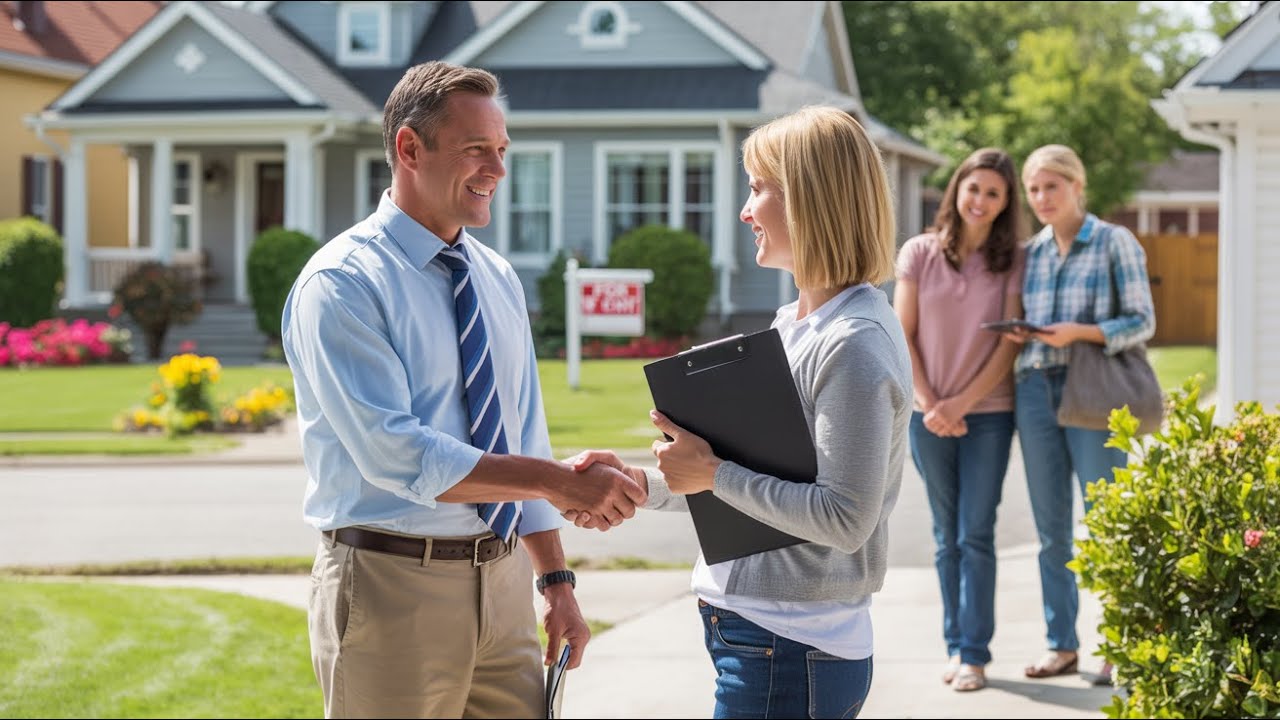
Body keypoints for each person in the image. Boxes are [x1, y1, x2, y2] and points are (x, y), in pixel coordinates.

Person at [281, 61, 647, 719]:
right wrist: (557, 483)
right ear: (409, 148)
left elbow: (522, 433)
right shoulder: (342, 284)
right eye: (477, 148)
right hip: (391, 586)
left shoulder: (495, 277)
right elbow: (397, 454)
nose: (497, 170)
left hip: (504, 585)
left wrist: (555, 580)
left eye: (502, 150)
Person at [567, 106, 912, 719]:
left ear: (808, 198)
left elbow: (844, 518)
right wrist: (640, 483)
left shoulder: (854, 342)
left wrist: (712, 474)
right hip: (761, 639)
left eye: (757, 189)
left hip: (790, 649)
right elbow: (752, 482)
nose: (745, 211)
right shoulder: (797, 325)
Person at [1008, 144, 1155, 682]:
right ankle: (1061, 644)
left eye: (1052, 185)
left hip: (1093, 389)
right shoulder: (1031, 253)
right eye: (1033, 188)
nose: (1042, 197)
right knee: (1051, 531)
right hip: (1034, 390)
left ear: (1077, 185)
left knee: (1107, 522)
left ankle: (1120, 643)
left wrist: (1081, 332)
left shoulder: (1114, 242)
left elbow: (1142, 320)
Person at [892, 148, 1027, 692]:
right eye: (974, 188)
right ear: (957, 190)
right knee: (945, 536)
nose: (981, 200)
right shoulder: (919, 253)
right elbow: (902, 333)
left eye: (993, 193)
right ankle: (954, 644)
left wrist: (961, 404)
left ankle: (974, 654)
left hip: (988, 417)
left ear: (1005, 203)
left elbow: (1008, 345)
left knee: (976, 533)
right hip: (926, 417)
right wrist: (931, 403)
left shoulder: (1012, 260)